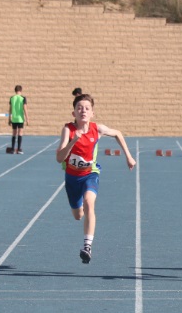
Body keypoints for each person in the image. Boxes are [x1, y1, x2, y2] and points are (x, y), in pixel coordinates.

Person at [56, 94, 136, 264]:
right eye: (79, 108)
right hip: (72, 177)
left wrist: (128, 157)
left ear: (92, 113)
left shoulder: (97, 129)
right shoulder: (68, 130)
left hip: (90, 174)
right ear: (74, 113)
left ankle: (87, 246)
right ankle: (82, 213)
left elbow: (117, 133)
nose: (83, 111)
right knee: (78, 215)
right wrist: (73, 141)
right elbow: (59, 158)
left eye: (87, 108)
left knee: (89, 203)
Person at [8, 85, 28, 154]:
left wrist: (9, 118)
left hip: (14, 118)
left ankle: (12, 149)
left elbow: (10, 109)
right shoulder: (23, 98)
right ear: (21, 90)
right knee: (20, 133)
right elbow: (25, 109)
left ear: (15, 90)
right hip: (20, 119)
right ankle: (19, 149)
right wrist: (27, 119)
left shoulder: (12, 98)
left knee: (14, 133)